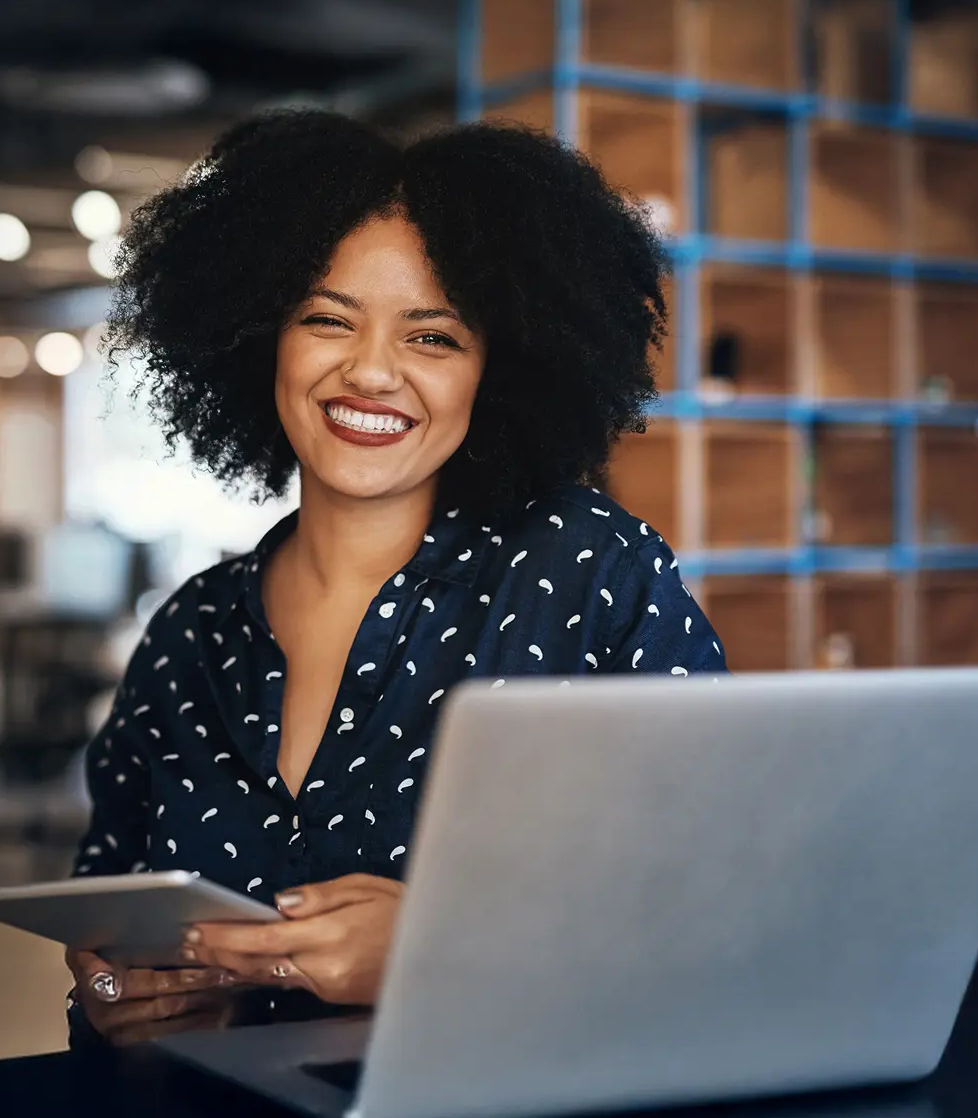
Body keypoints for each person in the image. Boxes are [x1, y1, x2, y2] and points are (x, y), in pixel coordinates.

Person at [64, 110, 727, 1045]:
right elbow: (106, 938)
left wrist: (439, 945)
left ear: (496, 371)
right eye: (329, 320)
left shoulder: (587, 576)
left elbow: (718, 910)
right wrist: (131, 1003)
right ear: (264, 341)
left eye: (433, 338)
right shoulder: (191, 637)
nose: (370, 371)